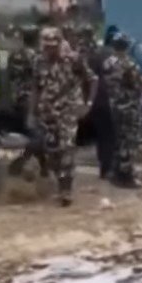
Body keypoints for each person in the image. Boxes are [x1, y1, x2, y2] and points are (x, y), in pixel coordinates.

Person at [30, 27, 97, 206]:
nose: (50, 50)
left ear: (60, 44)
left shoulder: (74, 60)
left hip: (68, 111)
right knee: (52, 152)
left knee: (67, 148)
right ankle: (58, 181)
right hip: (47, 112)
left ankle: (65, 191)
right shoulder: (38, 61)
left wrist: (88, 104)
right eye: (47, 46)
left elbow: (92, 80)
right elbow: (36, 87)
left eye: (53, 46)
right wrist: (31, 112)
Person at [101, 32, 142, 188]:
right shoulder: (128, 64)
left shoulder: (108, 63)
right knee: (129, 141)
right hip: (129, 106)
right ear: (127, 46)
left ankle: (116, 172)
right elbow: (139, 84)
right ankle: (125, 176)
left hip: (114, 105)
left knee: (119, 140)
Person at [5, 25, 42, 175]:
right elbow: (38, 80)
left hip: (17, 99)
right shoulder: (36, 57)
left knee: (28, 135)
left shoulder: (14, 55)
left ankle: (41, 168)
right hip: (31, 101)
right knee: (38, 137)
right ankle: (20, 162)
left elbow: (10, 77)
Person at [88, 25, 119, 179]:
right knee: (111, 137)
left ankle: (103, 168)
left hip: (95, 101)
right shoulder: (115, 57)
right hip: (111, 102)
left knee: (101, 137)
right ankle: (109, 169)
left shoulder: (95, 55)